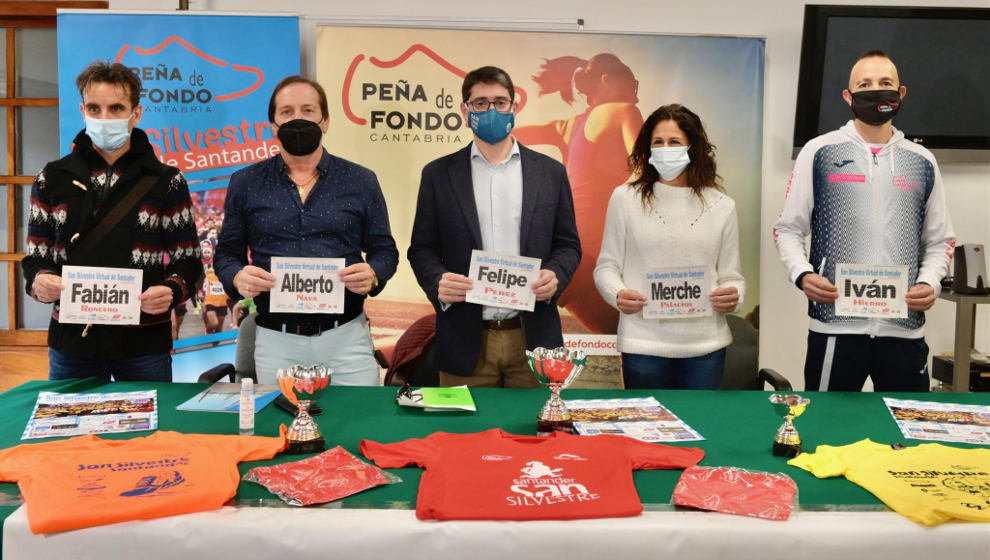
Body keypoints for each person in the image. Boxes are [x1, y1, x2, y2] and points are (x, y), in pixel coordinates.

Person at [774, 50, 955, 392]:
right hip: (834, 327)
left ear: (900, 94)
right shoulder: (819, 152)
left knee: (908, 438)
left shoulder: (922, 161)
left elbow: (941, 240)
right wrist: (802, 274)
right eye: (865, 84)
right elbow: (788, 229)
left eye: (885, 83)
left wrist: (930, 282)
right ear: (848, 96)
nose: (876, 90)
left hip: (904, 328)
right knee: (828, 437)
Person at [21, 61, 202, 381]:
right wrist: (39, 281)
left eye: (116, 107)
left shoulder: (168, 181)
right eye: (95, 108)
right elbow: (36, 258)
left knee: (152, 433)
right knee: (70, 431)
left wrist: (172, 290)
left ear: (136, 113)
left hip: (144, 344)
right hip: (72, 344)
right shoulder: (52, 178)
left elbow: (188, 262)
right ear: (82, 110)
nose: (104, 118)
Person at [214, 75, 398, 385]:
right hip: (276, 342)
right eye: (287, 112)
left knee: (356, 428)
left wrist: (375, 273)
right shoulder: (246, 182)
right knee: (279, 431)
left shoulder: (361, 180)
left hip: (347, 340)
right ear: (272, 125)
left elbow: (385, 251)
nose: (298, 119)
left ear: (325, 121)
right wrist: (236, 276)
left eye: (308, 110)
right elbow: (226, 253)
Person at [408, 66, 582, 388]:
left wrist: (556, 274)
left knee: (535, 435)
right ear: (465, 110)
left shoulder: (550, 173)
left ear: (514, 108)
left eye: (501, 103)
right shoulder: (437, 175)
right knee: (464, 437)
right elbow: (421, 249)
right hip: (464, 340)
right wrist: (438, 283)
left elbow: (568, 245)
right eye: (481, 103)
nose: (492, 110)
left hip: (534, 340)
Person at [594, 104, 744, 390]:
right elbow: (607, 267)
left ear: (693, 147)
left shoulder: (722, 206)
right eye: (657, 143)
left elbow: (732, 276)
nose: (665, 149)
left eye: (674, 142)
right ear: (647, 149)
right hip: (643, 347)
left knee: (701, 430)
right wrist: (618, 294)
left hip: (706, 349)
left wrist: (734, 296)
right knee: (646, 434)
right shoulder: (625, 198)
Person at [514, 54, 643, 334]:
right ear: (607, 81)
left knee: (504, 337)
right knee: (636, 338)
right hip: (587, 261)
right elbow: (648, 172)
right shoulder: (624, 111)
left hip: (557, 252)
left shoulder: (568, 126)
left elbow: (506, 137)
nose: (636, 95)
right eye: (633, 85)